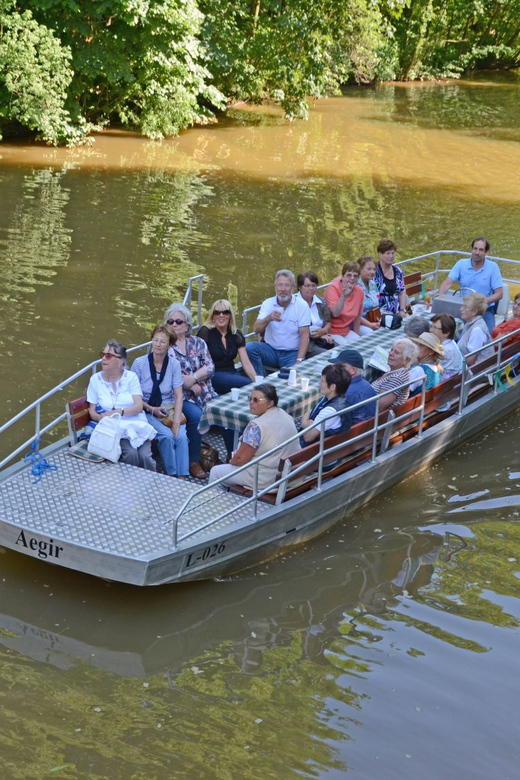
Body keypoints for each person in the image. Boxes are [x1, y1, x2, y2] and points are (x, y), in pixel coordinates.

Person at [208, 384, 300, 490]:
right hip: (289, 473)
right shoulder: (285, 415)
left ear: (270, 403)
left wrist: (232, 461)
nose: (251, 403)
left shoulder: (255, 426)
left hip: (264, 478)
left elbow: (241, 460)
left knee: (215, 472)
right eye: (250, 398)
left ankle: (215, 505)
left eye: (256, 400)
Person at [164, 302, 217, 479]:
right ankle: (193, 460)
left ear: (187, 325)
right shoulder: (166, 347)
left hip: (205, 393)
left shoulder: (198, 342)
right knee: (195, 416)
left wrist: (193, 378)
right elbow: (173, 375)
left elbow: (210, 366)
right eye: (170, 322)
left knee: (226, 410)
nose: (174, 325)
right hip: (180, 397)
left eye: (178, 321)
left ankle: (234, 456)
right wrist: (189, 381)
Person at [87, 339, 156, 470]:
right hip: (114, 428)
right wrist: (102, 418)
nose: (104, 359)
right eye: (103, 354)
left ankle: (150, 485)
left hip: (137, 424)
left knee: (145, 457)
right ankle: (131, 486)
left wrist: (118, 412)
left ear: (121, 361)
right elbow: (92, 411)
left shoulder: (131, 377)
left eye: (108, 356)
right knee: (131, 454)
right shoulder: (95, 380)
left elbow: (138, 406)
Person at [131, 325, 189, 478]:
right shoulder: (139, 363)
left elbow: (178, 396)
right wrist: (151, 409)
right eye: (155, 340)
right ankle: (172, 474)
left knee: (181, 436)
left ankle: (182, 476)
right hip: (146, 408)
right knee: (167, 436)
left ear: (170, 345)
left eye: (162, 342)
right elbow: (133, 395)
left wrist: (176, 421)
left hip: (167, 407)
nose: (158, 344)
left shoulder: (174, 365)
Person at [246, 270, 311, 376]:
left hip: (291, 353)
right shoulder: (267, 304)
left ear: (293, 288)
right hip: (270, 351)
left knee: (289, 377)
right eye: (280, 285)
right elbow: (256, 329)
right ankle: (259, 380)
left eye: (287, 285)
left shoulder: (301, 305)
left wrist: (299, 360)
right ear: (275, 287)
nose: (283, 289)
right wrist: (268, 318)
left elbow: (305, 335)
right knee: (249, 348)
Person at [436, 237, 503, 333]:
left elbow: (499, 294)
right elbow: (447, 283)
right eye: (475, 249)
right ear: (471, 250)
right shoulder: (461, 264)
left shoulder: (493, 267)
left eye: (481, 250)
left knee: (488, 335)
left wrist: (480, 304)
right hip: (464, 308)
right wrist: (439, 295)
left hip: (485, 310)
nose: (477, 252)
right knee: (447, 330)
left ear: (486, 252)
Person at [197, 299, 256, 393]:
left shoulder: (236, 334)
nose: (221, 315)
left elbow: (246, 363)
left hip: (232, 373)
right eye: (217, 312)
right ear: (213, 316)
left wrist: (257, 382)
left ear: (230, 316)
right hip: (213, 375)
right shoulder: (205, 332)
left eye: (225, 312)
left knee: (253, 386)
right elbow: (197, 359)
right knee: (247, 385)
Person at [300, 365, 351, 444]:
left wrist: (304, 423)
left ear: (332, 387)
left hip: (311, 450)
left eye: (323, 381)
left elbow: (308, 437)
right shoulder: (338, 399)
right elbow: (310, 411)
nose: (319, 383)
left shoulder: (330, 411)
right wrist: (309, 424)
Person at [329, 348, 377, 423]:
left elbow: (329, 423)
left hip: (350, 434)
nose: (335, 369)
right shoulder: (368, 385)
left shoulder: (345, 393)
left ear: (353, 370)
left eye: (340, 366)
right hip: (367, 431)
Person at [371, 338, 418, 411]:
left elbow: (378, 407)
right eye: (391, 350)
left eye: (396, 352)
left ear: (406, 360)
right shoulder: (396, 372)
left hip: (375, 420)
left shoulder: (397, 378)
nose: (390, 353)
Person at [323, 261, 364, 345]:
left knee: (360, 344)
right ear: (342, 276)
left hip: (346, 330)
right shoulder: (333, 289)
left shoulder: (359, 291)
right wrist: (343, 296)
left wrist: (358, 336)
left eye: (355, 276)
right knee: (347, 348)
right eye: (349, 275)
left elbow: (357, 318)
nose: (352, 278)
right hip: (332, 331)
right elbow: (335, 313)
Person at [296, 271, 334, 356]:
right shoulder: (294, 304)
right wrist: (318, 335)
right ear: (299, 287)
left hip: (321, 339)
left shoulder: (321, 302)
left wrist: (323, 331)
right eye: (307, 286)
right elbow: (293, 330)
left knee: (341, 351)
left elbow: (328, 323)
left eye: (314, 285)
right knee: (328, 355)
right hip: (304, 343)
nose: (311, 288)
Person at [457, 292, 493, 367]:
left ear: (474, 312)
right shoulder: (470, 323)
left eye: (465, 307)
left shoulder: (477, 330)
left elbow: (470, 361)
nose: (461, 309)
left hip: (475, 374)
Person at [374, 238, 407, 317]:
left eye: (393, 253)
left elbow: (402, 292)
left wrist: (402, 310)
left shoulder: (398, 271)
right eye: (388, 253)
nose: (391, 256)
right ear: (380, 254)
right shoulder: (374, 271)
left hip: (397, 310)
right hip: (380, 311)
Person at [430, 313, 463, 378]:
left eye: (435, 327)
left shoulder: (445, 350)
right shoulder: (450, 342)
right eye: (431, 326)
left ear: (446, 333)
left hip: (447, 386)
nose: (430, 330)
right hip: (453, 382)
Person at [357, 256, 381, 334]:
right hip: (359, 323)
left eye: (374, 269)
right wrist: (370, 325)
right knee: (371, 333)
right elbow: (355, 314)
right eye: (369, 269)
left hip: (374, 319)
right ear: (360, 269)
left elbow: (377, 305)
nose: (372, 272)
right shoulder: (356, 286)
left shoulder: (373, 284)